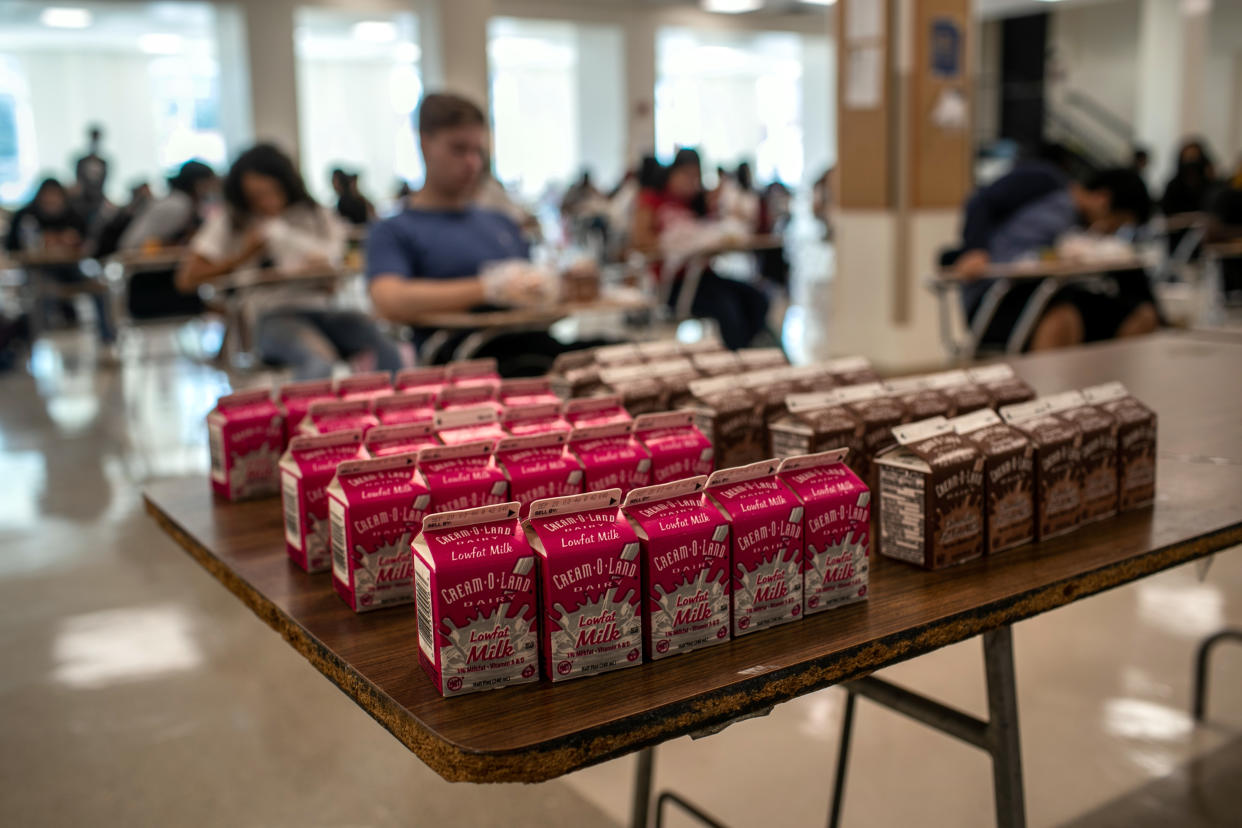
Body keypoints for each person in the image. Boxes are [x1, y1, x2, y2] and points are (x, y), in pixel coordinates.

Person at [367, 93, 587, 373]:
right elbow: (389, 300)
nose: (472, 163)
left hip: (530, 342)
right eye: (458, 150)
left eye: (477, 152)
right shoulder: (395, 230)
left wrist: (556, 287)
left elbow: (534, 298)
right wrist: (488, 288)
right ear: (424, 145)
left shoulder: (501, 222)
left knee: (619, 355)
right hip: (463, 357)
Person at [176, 144, 400, 379]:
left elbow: (337, 265)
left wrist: (323, 271)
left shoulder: (314, 214)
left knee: (385, 346)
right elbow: (187, 278)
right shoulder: (232, 221)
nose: (266, 202)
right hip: (272, 315)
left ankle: (396, 411)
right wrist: (244, 255)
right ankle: (307, 415)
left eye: (272, 192)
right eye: (256, 197)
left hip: (324, 309)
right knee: (318, 361)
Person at [952, 165, 1159, 351]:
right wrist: (975, 249)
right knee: (1063, 317)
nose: (1114, 231)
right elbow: (981, 200)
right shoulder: (1044, 182)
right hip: (998, 296)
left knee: (1140, 315)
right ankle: (1052, 391)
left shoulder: (1086, 233)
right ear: (1102, 200)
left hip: (1054, 291)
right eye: (1119, 222)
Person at [631, 148, 770, 349]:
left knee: (757, 298)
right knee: (728, 308)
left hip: (701, 276)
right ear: (673, 173)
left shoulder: (694, 203)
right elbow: (640, 242)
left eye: (695, 177)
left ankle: (747, 353)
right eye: (686, 175)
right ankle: (737, 358)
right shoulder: (652, 200)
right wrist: (675, 244)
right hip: (673, 284)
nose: (691, 182)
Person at [5, 178, 115, 344]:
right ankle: (31, 343)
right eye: (47, 196)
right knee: (40, 293)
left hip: (70, 266)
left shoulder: (72, 214)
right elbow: (13, 247)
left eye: (55, 196)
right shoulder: (26, 216)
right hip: (38, 268)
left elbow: (88, 244)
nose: (51, 200)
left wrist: (73, 242)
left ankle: (108, 340)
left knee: (100, 285)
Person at [1161, 139, 1217, 217]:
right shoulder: (1174, 187)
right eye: (1189, 158)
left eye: (1195, 158)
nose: (1192, 163)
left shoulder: (1211, 186)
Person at [71, 125, 110, 233]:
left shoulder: (104, 163)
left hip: (98, 202)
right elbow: (78, 183)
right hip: (83, 202)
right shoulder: (81, 162)